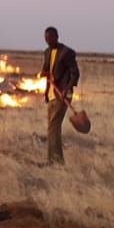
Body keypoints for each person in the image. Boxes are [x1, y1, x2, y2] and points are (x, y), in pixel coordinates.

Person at [38, 26, 80, 165]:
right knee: (52, 128)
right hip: (51, 94)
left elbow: (75, 73)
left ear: (56, 37)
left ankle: (54, 161)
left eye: (50, 38)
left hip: (63, 94)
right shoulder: (47, 52)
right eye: (46, 38)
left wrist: (67, 89)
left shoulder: (67, 53)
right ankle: (56, 160)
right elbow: (46, 69)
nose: (48, 41)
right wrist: (43, 73)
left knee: (53, 126)